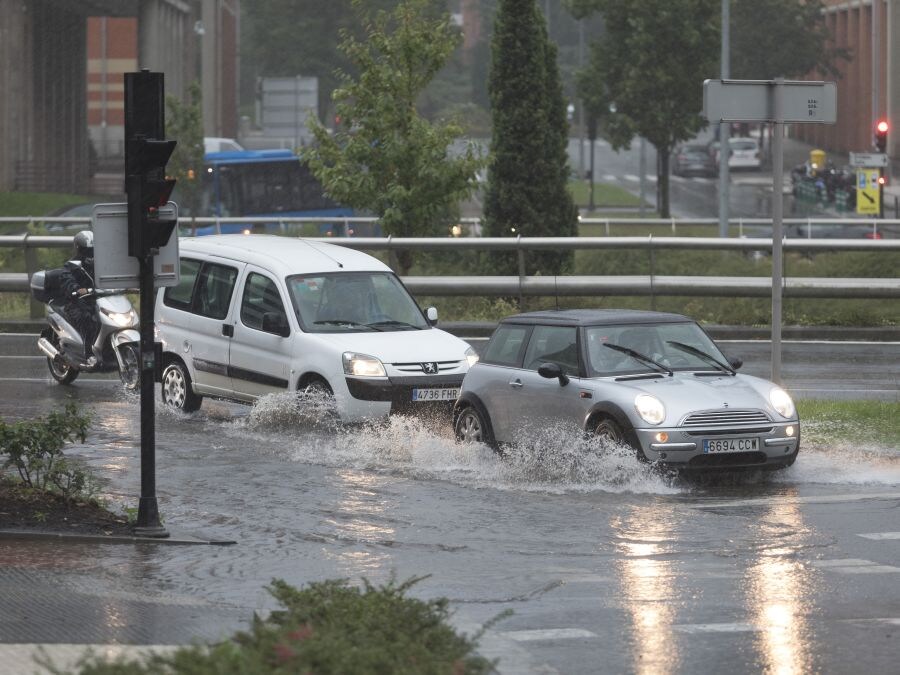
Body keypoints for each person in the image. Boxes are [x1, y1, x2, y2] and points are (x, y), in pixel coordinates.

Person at [57, 230, 99, 362]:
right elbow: (67, 280)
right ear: (79, 249)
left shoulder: (100, 265)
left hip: (97, 300)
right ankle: (88, 353)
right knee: (88, 318)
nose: (90, 254)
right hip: (76, 303)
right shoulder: (71, 266)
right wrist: (76, 289)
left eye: (92, 250)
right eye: (87, 250)